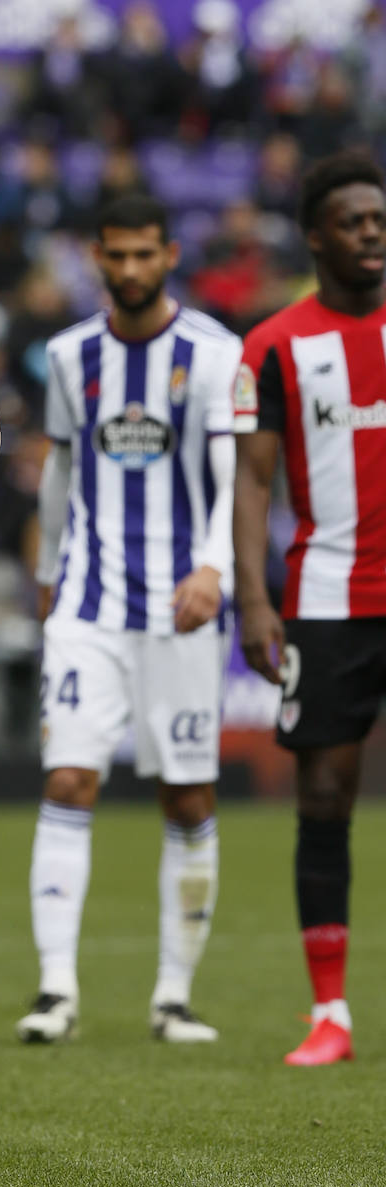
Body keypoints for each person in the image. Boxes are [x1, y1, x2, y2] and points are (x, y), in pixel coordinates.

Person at [15, 194, 242, 1046]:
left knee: (187, 795)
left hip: (182, 608)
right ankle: (55, 991)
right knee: (70, 777)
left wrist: (214, 567)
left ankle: (173, 998)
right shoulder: (71, 356)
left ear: (170, 255)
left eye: (147, 255)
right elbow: (58, 473)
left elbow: (232, 479)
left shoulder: (216, 355)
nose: (133, 270)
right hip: (90, 602)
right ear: (98, 257)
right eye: (118, 256)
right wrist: (46, 573)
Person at [233, 150, 386, 1066]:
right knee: (324, 796)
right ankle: (329, 1013)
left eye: (381, 218)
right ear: (318, 236)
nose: (373, 231)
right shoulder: (274, 344)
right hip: (328, 599)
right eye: (355, 220)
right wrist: (255, 598)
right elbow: (253, 484)